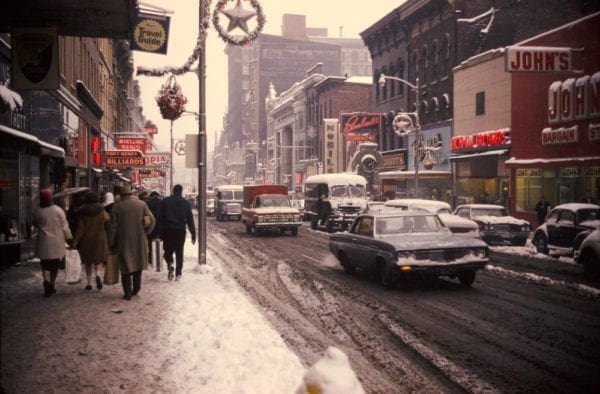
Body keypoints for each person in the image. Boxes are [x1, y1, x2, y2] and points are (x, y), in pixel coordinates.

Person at [108, 184, 155, 300]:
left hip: (123, 240)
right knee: (138, 264)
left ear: (121, 195)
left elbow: (113, 227)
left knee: (125, 266)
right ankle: (136, 288)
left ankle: (127, 293)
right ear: (131, 193)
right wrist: (147, 232)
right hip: (139, 239)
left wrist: (111, 242)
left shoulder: (116, 207)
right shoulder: (142, 204)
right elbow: (152, 220)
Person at [32, 189, 73, 297]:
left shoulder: (37, 211)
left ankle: (46, 281)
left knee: (45, 265)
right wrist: (69, 238)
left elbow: (35, 224)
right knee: (54, 266)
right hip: (57, 242)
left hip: (43, 242)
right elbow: (65, 226)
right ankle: (52, 284)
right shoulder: (58, 210)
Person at [71, 191, 109, 291]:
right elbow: (108, 219)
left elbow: (80, 229)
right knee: (98, 260)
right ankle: (98, 275)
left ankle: (89, 283)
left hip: (87, 239)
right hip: (100, 238)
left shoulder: (83, 212)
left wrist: (75, 242)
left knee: (88, 261)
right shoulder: (101, 210)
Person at [158, 184, 196, 281]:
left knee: (167, 251)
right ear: (181, 191)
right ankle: (178, 274)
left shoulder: (166, 201)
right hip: (180, 231)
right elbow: (190, 220)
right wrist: (193, 234)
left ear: (173, 191)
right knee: (179, 252)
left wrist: (159, 231)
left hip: (168, 230)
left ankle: (170, 263)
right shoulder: (186, 203)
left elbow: (160, 217)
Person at [145, 191, 163, 265]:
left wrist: (147, 225)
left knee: (150, 242)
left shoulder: (148, 203)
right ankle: (158, 258)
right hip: (159, 225)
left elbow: (146, 215)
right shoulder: (161, 203)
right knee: (158, 241)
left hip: (151, 225)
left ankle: (150, 258)